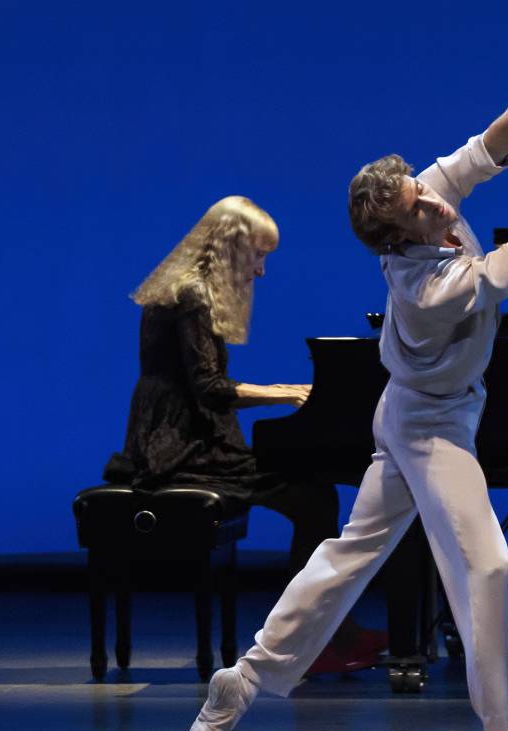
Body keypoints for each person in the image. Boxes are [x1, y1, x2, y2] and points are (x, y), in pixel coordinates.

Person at [184, 71, 508, 731]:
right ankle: (499, 728)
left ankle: (244, 679)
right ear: (397, 234)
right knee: (489, 563)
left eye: (424, 187)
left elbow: (496, 137)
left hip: (418, 410)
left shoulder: (427, 199)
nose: (438, 200)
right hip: (429, 425)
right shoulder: (427, 288)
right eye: (420, 206)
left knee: (349, 556)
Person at [105, 196, 385, 673]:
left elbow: (205, 384)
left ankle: (321, 632)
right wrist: (285, 395)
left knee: (312, 496)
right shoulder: (192, 295)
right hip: (179, 447)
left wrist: (284, 391)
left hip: (185, 437)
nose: (260, 271)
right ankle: (310, 638)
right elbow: (211, 389)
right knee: (312, 498)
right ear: (232, 247)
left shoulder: (183, 289)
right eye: (258, 254)